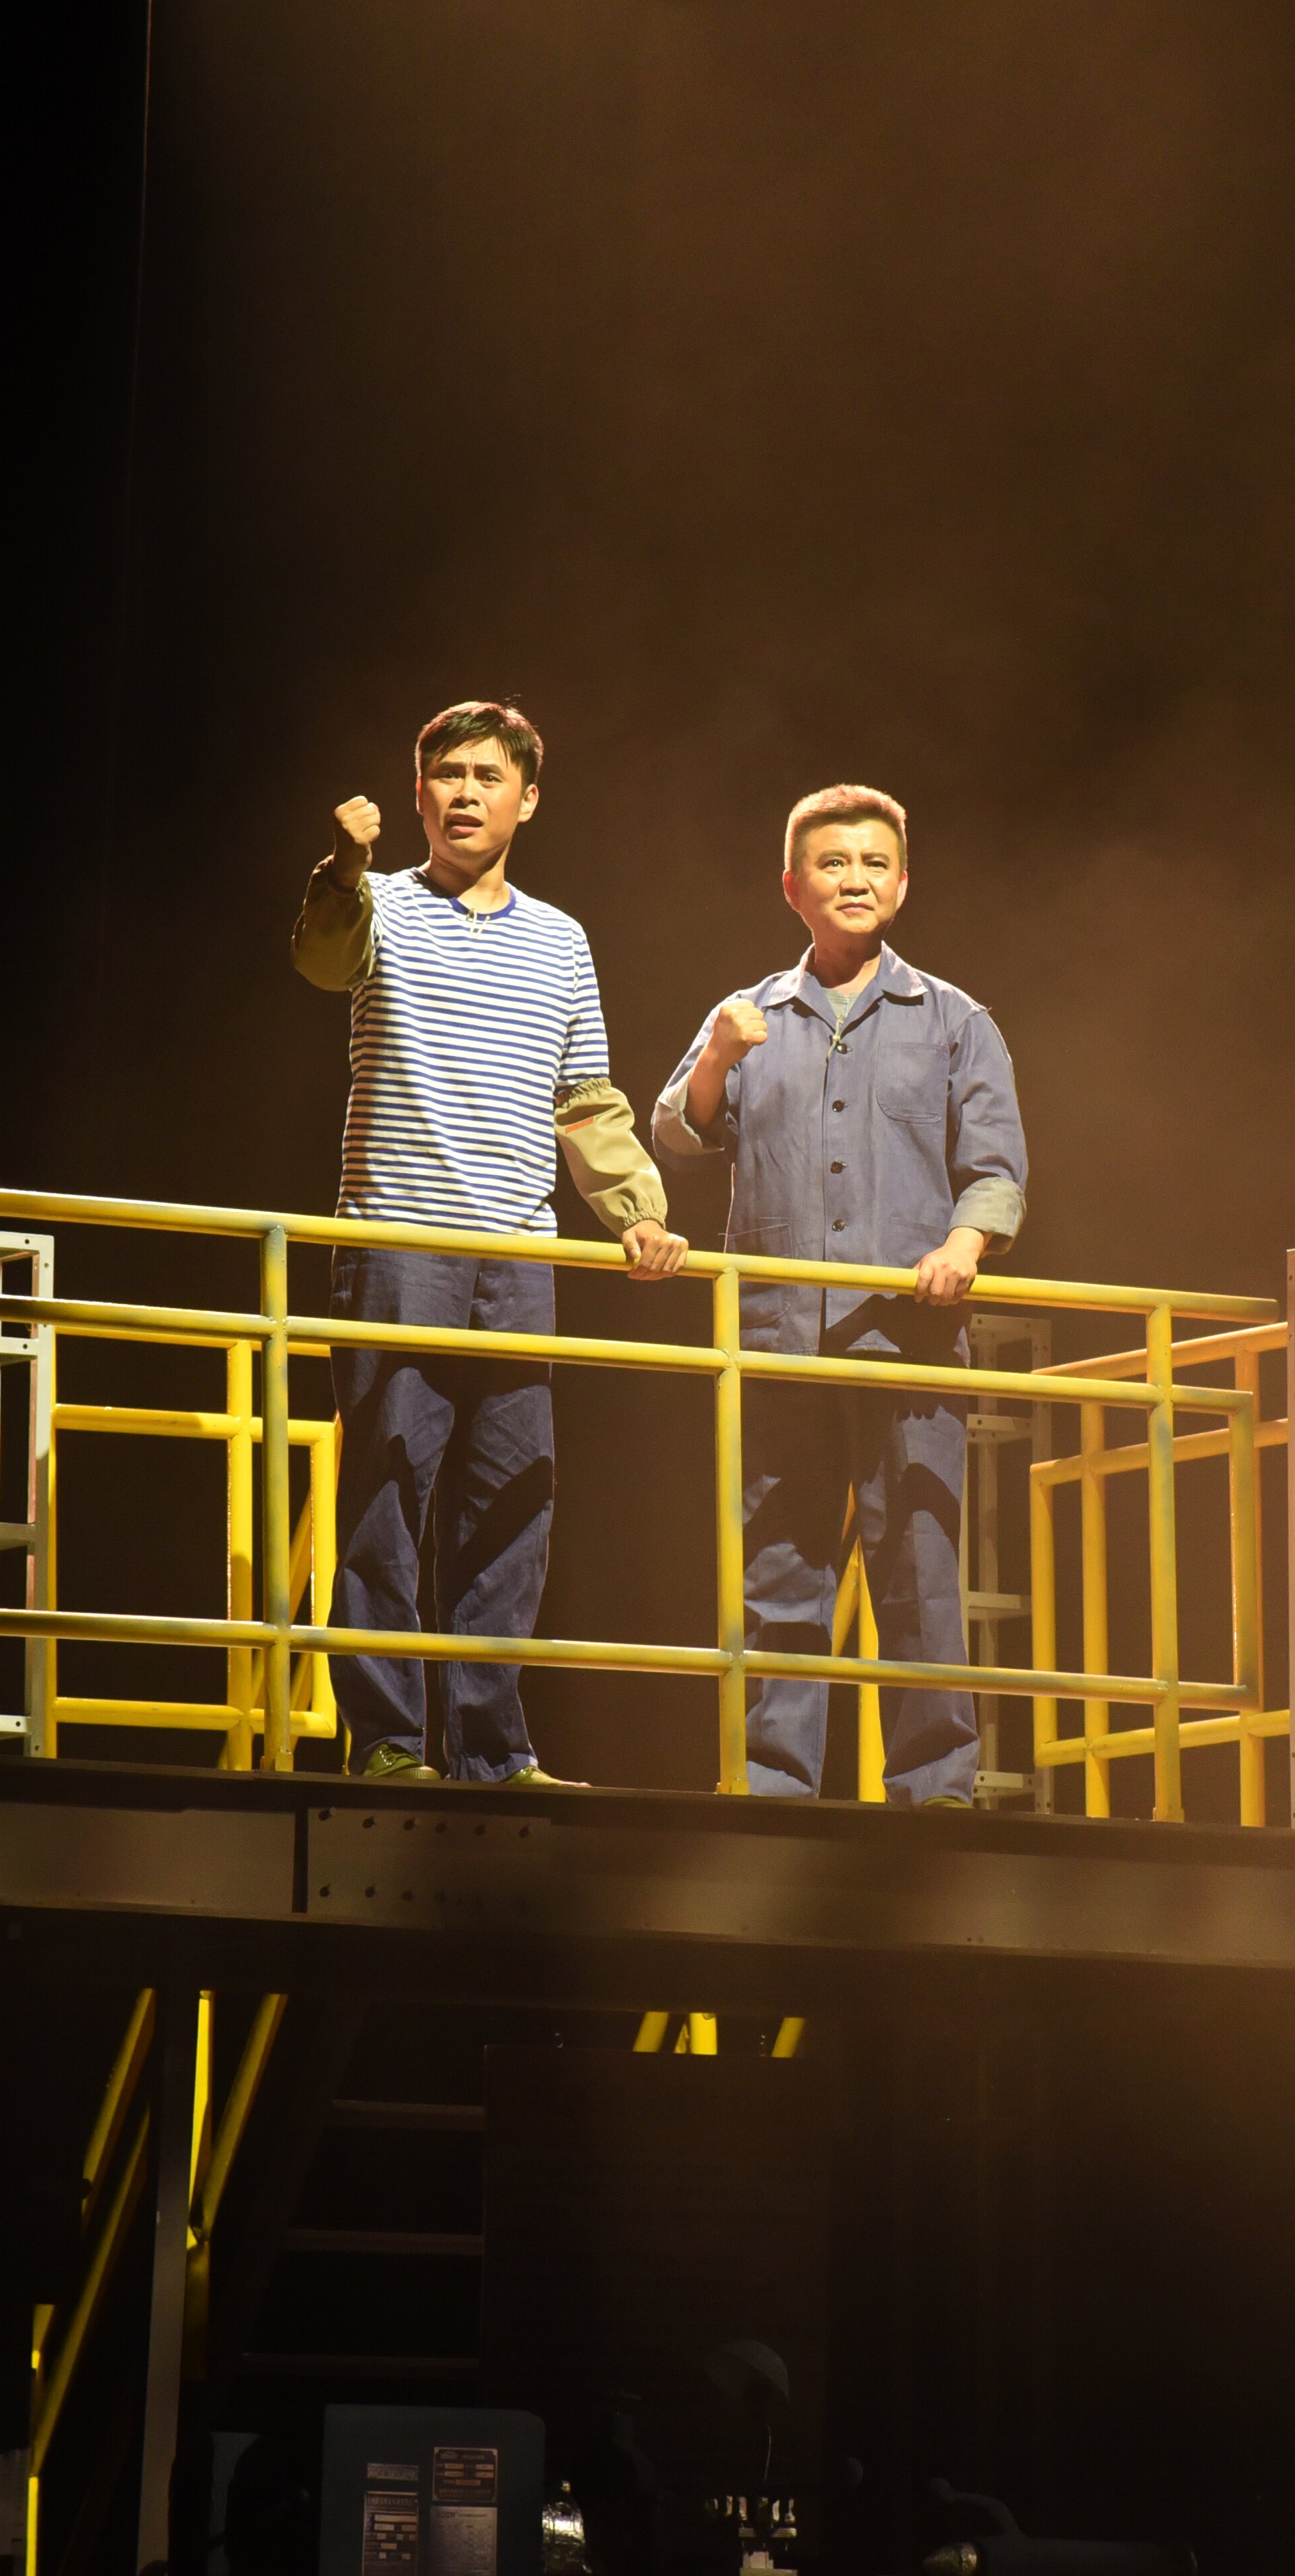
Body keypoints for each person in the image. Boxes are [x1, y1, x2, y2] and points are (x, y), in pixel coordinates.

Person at [293, 700, 688, 1785]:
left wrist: (639, 1212)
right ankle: (385, 1741)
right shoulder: (376, 902)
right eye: (448, 774)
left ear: (528, 799)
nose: (467, 792)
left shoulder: (561, 939)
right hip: (399, 1242)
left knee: (514, 1499)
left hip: (519, 1256)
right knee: (388, 1490)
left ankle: (491, 1748)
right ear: (418, 794)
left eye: (488, 776)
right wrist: (344, 864)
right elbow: (322, 961)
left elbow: (587, 1099)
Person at [652, 785, 1026, 1805]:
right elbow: (675, 1135)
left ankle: (935, 1795)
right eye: (832, 863)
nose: (854, 879)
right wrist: (717, 1057)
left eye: (873, 863)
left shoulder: (955, 1020)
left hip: (908, 1344)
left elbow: (996, 1168)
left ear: (902, 884)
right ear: (793, 886)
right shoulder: (749, 1014)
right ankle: (773, 1792)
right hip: (779, 1342)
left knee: (919, 1576)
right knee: (779, 1578)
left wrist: (964, 1244)